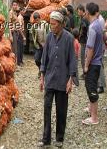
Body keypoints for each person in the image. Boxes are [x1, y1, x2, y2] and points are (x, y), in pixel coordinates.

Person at [38, 11, 76, 148]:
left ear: (60, 24)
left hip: (62, 80)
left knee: (61, 110)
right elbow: (44, 58)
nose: (51, 26)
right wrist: (42, 78)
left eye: (54, 24)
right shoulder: (49, 37)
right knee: (46, 108)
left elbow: (72, 60)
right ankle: (46, 139)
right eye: (50, 24)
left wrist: (70, 80)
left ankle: (59, 138)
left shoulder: (69, 38)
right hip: (49, 78)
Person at [82, 3, 103, 125]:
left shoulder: (93, 27)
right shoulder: (98, 24)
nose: (84, 13)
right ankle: (90, 108)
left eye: (85, 11)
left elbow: (90, 48)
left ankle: (94, 118)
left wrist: (86, 65)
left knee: (91, 88)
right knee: (91, 86)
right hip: (97, 61)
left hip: (93, 63)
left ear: (88, 13)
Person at [31, 12, 50, 78]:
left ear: (40, 18)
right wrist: (36, 43)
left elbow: (49, 34)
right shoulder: (34, 26)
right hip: (39, 45)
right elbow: (33, 35)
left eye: (38, 20)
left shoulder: (45, 25)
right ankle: (40, 69)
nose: (37, 21)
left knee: (45, 59)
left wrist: (47, 44)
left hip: (45, 45)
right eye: (35, 20)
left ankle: (43, 72)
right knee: (37, 59)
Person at [77, 4, 89, 79]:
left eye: (78, 11)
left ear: (82, 10)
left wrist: (80, 35)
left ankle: (85, 74)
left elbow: (84, 28)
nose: (78, 13)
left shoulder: (84, 19)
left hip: (84, 41)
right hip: (84, 40)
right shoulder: (83, 18)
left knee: (83, 58)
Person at [97, 11, 107, 94]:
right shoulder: (100, 20)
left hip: (100, 47)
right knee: (100, 65)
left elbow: (104, 35)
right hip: (100, 46)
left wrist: (106, 43)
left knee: (100, 65)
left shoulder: (100, 21)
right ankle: (99, 83)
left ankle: (101, 85)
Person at [9, 0, 20, 65]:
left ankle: (14, 64)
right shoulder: (11, 13)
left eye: (16, 5)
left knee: (15, 49)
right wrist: (10, 35)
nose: (15, 6)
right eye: (14, 5)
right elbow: (9, 24)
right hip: (13, 33)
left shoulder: (15, 13)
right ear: (12, 6)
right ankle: (13, 64)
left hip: (16, 32)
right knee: (14, 50)